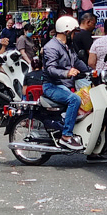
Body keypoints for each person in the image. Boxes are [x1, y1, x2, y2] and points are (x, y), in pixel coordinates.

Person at [42, 16, 89, 150]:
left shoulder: (68, 47)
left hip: (65, 85)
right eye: (73, 32)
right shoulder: (51, 47)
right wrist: (66, 73)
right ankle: (66, 136)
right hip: (52, 86)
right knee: (75, 99)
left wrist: (92, 72)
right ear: (67, 32)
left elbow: (77, 62)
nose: (74, 36)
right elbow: (50, 69)